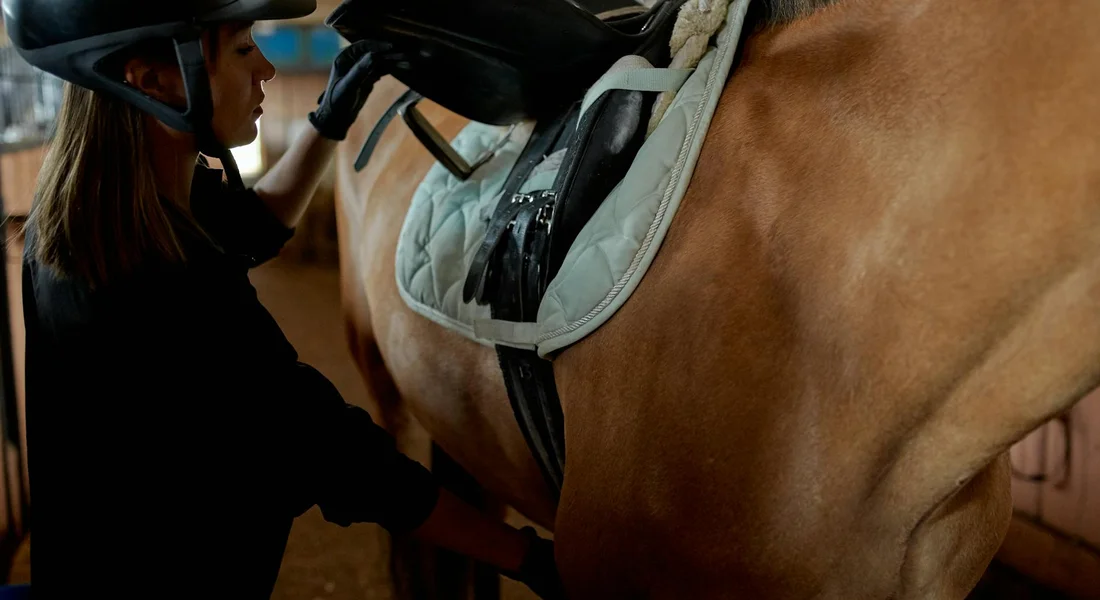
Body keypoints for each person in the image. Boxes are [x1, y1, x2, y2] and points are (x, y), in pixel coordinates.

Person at [1, 0, 564, 597]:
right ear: (154, 80)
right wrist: (531, 559)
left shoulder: (96, 220)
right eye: (244, 48)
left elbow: (249, 226)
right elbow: (335, 453)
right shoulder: (165, 288)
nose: (265, 70)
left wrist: (328, 119)